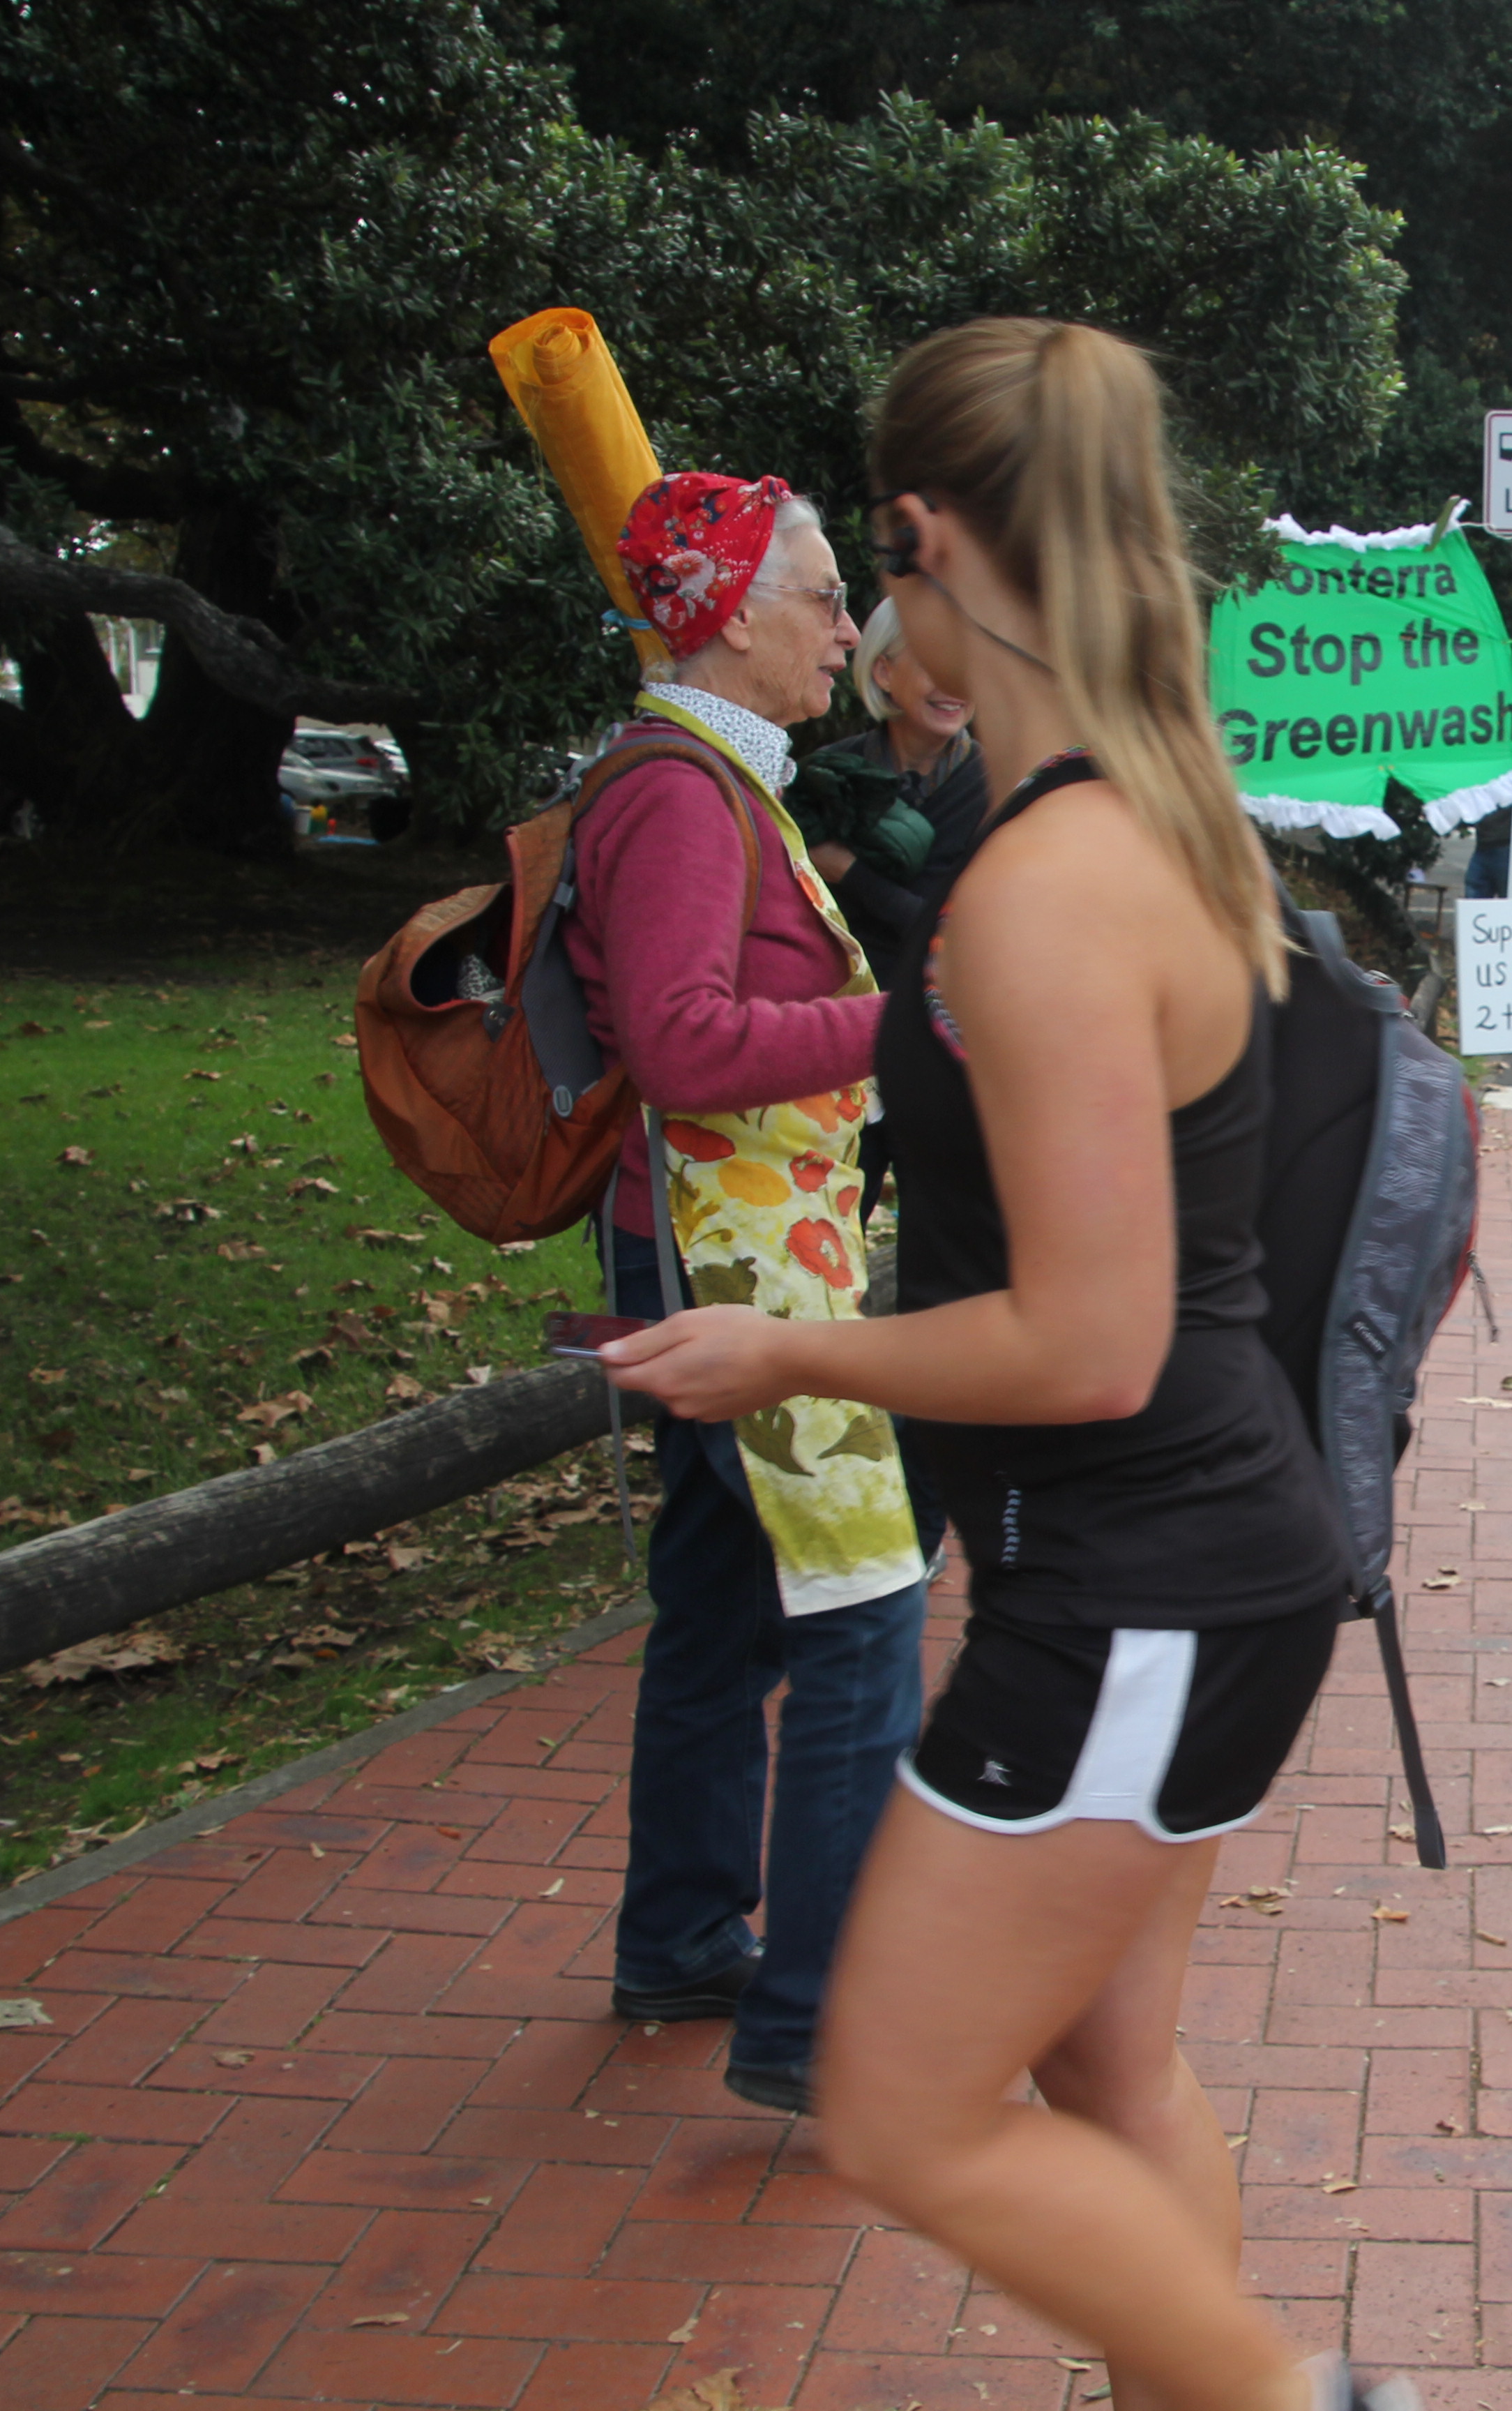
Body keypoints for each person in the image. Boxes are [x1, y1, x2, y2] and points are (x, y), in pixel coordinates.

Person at [600, 320, 1417, 2411]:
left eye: (870, 569)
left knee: (896, 2108)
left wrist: (783, 1347)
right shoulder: (1139, 814)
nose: (865, 618)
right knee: (1109, 2068)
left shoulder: (1046, 887)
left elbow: (1089, 1335)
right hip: (1186, 1561)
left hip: (1143, 1580)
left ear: (928, 538)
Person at [563, 470, 939, 2112]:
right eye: (821, 597)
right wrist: (918, 1023)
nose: (848, 630)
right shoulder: (677, 794)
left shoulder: (711, 777)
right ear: (721, 615)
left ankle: (682, 1937)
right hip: (731, 1266)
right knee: (866, 1608)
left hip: (734, 1252)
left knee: (723, 1608)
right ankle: (820, 2019)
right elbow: (681, 1042)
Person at [801, 599, 995, 1219]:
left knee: (944, 1241)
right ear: (883, 671)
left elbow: (960, 937)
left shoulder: (997, 788)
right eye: (937, 661)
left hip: (946, 1054)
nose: (955, 683)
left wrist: (850, 873)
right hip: (838, 1050)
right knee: (828, 1231)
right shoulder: (829, 778)